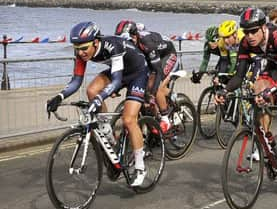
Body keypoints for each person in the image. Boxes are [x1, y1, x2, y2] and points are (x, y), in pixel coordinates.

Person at [46, 22, 149, 186]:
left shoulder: (112, 46)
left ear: (95, 42)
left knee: (129, 120)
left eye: (84, 48)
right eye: (77, 48)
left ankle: (140, 167)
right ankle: (107, 130)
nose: (80, 52)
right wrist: (59, 97)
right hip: (119, 70)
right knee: (92, 91)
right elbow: (77, 80)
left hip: (137, 73)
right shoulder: (81, 51)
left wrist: (100, 100)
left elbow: (116, 82)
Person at [215, 8, 277, 181]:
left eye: (253, 31)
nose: (249, 36)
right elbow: (239, 75)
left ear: (263, 27)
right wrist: (225, 90)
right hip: (274, 65)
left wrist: (269, 91)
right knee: (257, 88)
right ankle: (267, 140)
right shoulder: (245, 44)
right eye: (246, 31)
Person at [115, 20, 178, 133]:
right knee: (145, 85)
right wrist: (116, 86)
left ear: (134, 36)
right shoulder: (130, 45)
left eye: (127, 41)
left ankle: (165, 119)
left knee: (156, 88)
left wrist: (152, 94)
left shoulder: (146, 42)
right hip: (153, 57)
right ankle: (155, 116)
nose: (124, 45)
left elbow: (158, 70)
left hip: (167, 55)